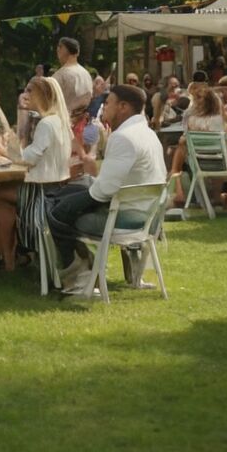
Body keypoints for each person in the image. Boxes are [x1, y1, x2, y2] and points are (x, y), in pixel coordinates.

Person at [46, 83, 167, 294]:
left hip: (124, 217)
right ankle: (87, 267)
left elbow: (105, 190)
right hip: (147, 214)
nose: (103, 107)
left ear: (123, 107)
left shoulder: (123, 137)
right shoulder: (148, 133)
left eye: (108, 102)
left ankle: (79, 277)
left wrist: (77, 199)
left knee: (57, 212)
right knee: (66, 195)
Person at [0, 77, 72, 272]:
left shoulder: (46, 123)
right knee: (2, 193)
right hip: (56, 190)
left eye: (30, 91)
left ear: (43, 95)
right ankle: (16, 253)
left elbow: (30, 158)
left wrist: (5, 152)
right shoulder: (60, 121)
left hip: (40, 194)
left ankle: (8, 259)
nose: (25, 95)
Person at [50, 37, 93, 155]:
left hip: (65, 125)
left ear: (66, 50)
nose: (57, 49)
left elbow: (49, 103)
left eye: (60, 47)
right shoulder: (86, 73)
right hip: (82, 123)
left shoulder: (59, 76)